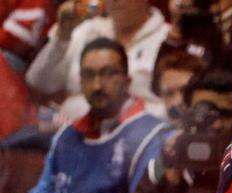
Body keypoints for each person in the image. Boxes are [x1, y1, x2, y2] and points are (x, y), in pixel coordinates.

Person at [16, 36, 168, 193]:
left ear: (127, 80)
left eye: (108, 73)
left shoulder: (152, 136)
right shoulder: (66, 137)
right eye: (89, 75)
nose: (97, 85)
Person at [116, 66, 232, 193]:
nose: (214, 124)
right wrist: (169, 185)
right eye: (204, 113)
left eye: (224, 115)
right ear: (187, 112)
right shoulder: (167, 163)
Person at [26, 0, 169, 121]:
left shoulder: (170, 41)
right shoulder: (87, 30)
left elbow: (177, 109)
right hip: (73, 132)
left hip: (138, 138)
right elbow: (39, 82)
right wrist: (62, 39)